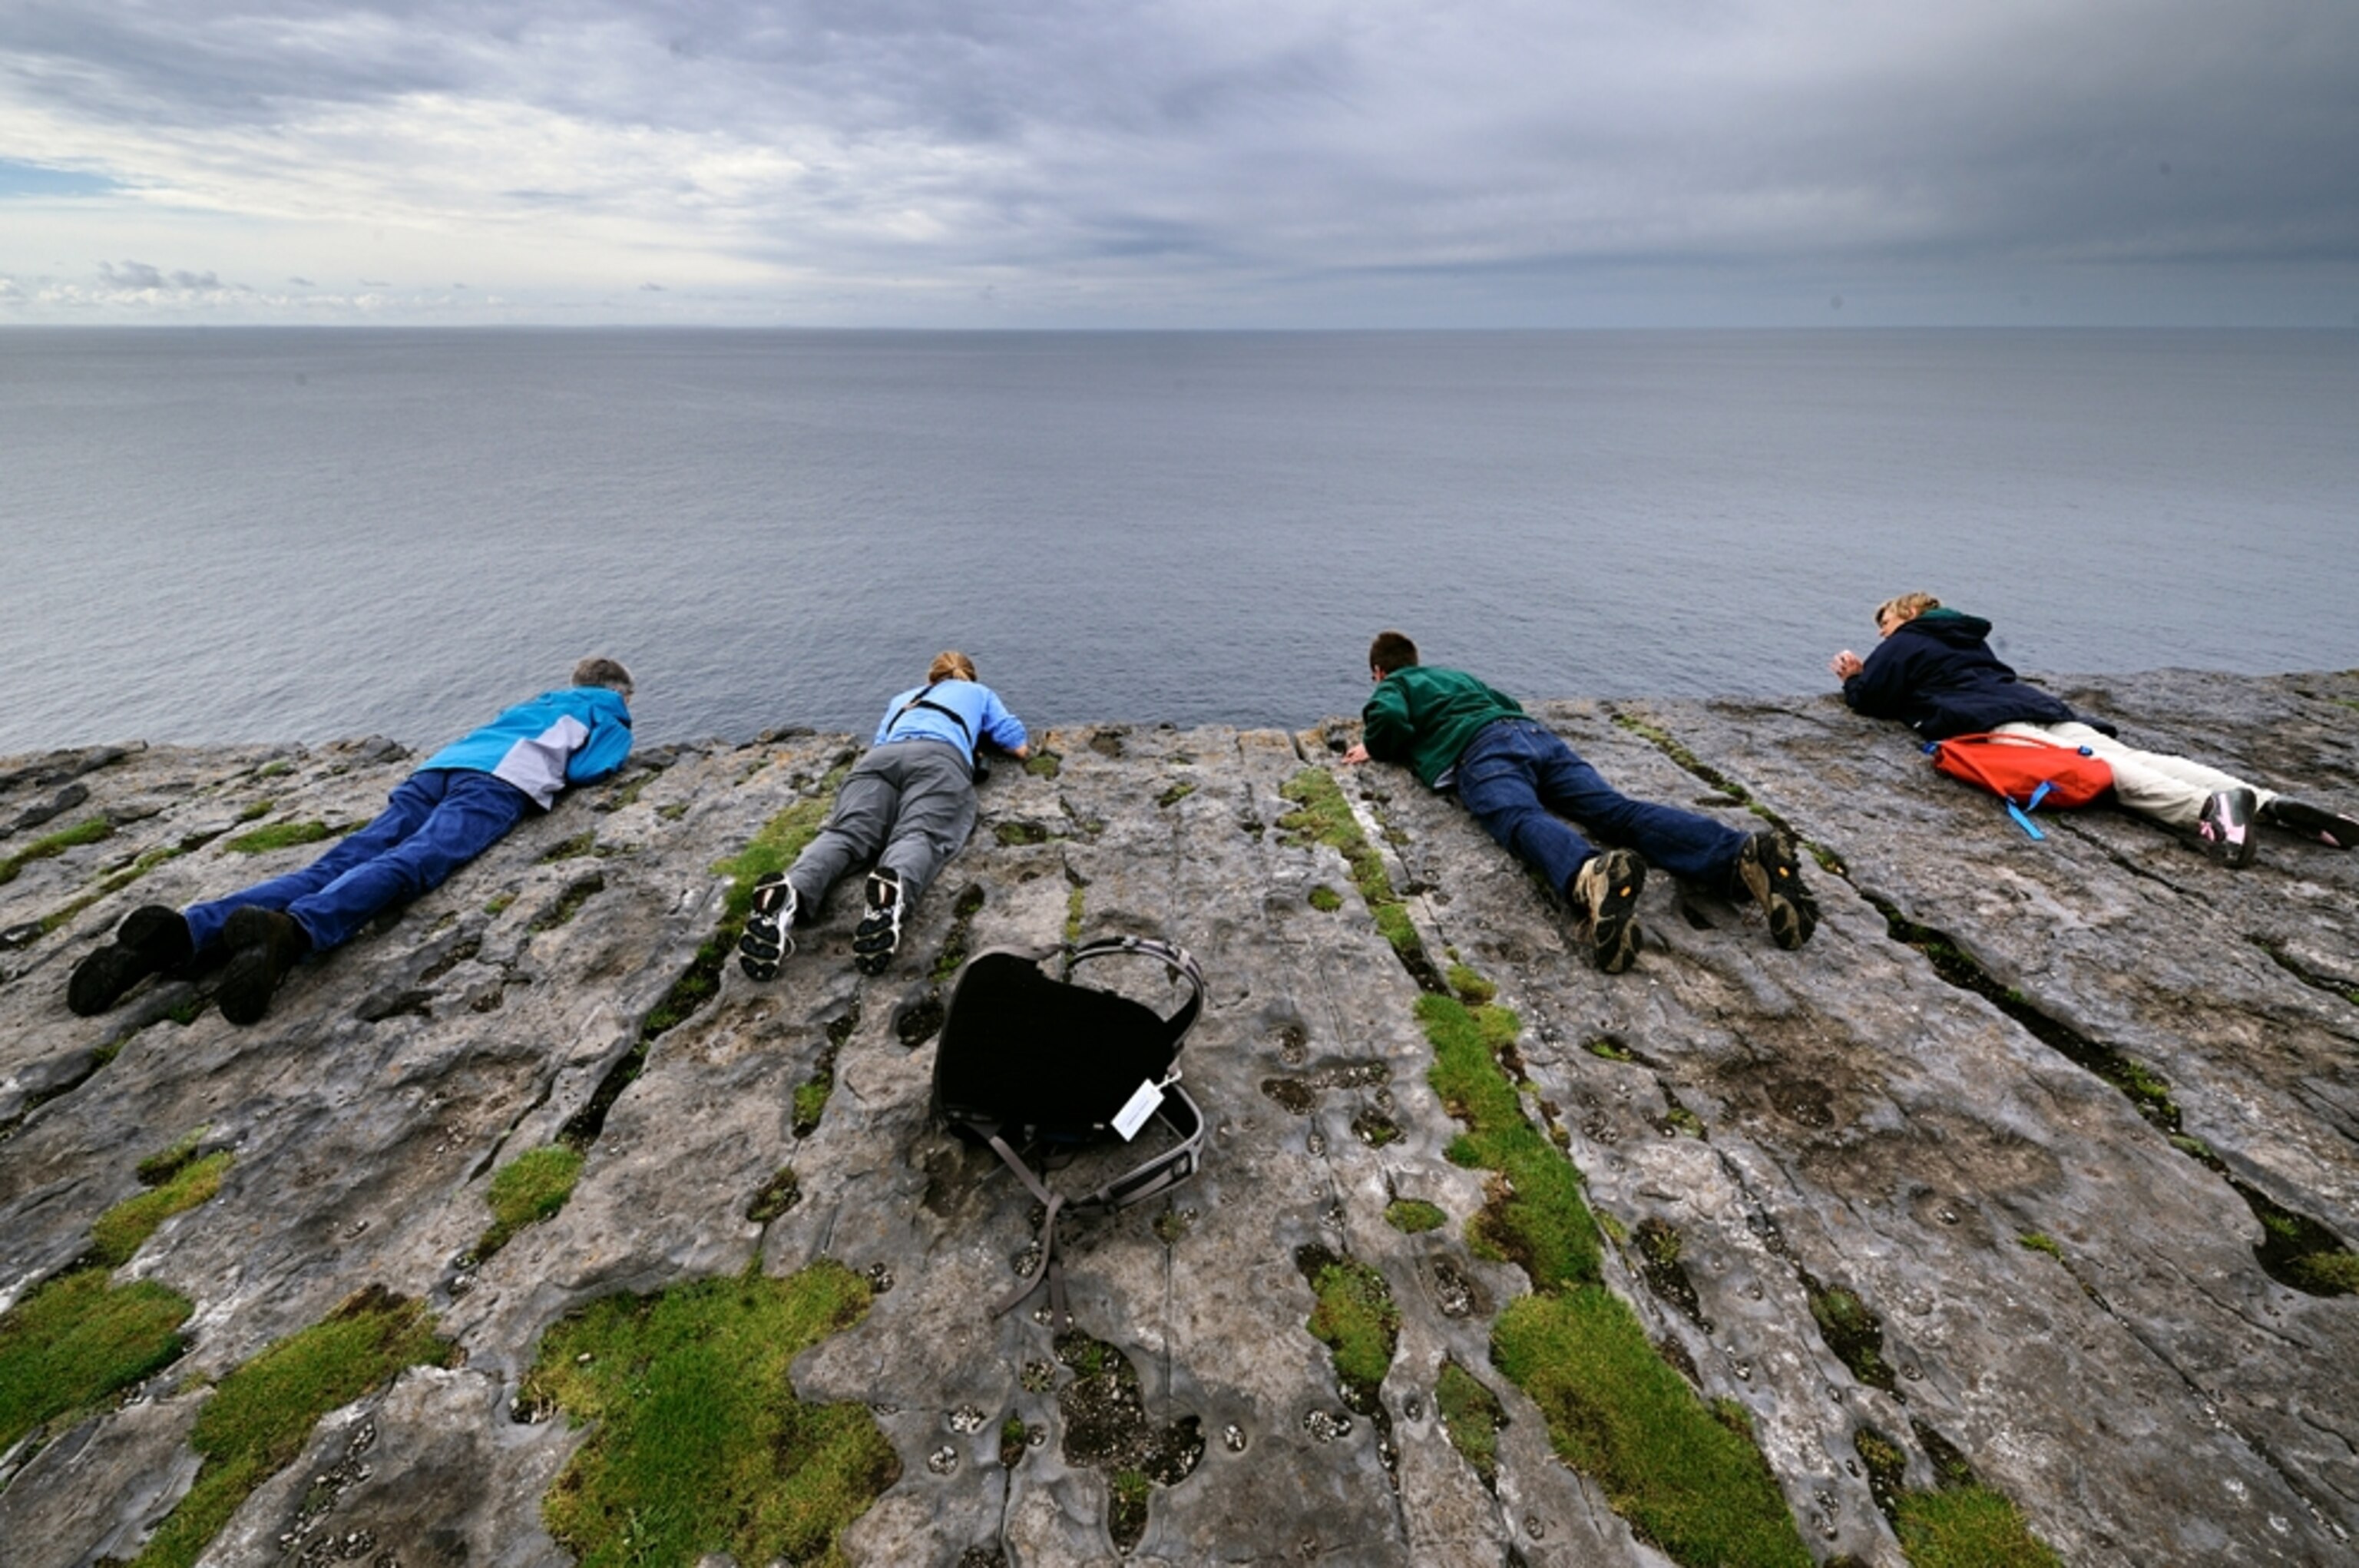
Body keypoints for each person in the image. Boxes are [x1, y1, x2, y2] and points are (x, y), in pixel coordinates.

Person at [68, 658, 636, 1025]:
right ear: (618, 692)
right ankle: (295, 932)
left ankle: (183, 933)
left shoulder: (533, 702)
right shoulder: (606, 711)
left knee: (340, 858)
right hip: (496, 784)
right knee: (414, 862)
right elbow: (593, 768)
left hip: (437, 770)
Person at [1342, 631, 1815, 973]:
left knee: (1519, 817)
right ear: (1419, 657)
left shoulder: (1394, 684)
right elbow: (1508, 703)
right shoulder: (1456, 676)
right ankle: (1739, 854)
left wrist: (1377, 746)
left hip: (1481, 753)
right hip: (1535, 737)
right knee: (1615, 811)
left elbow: (1387, 717)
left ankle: (1592, 876)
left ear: (1379, 671)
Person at [1831, 594, 2358, 865]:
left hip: (1986, 722)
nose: (1881, 633)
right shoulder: (1967, 640)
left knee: (2108, 773)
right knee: (2138, 757)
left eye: (1884, 624)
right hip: (2039, 705)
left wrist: (1855, 677)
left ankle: (2209, 813)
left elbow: (1874, 701)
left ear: (1907, 614)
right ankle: (2270, 803)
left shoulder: (1907, 639)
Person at [739, 650, 1027, 980]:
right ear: (969, 676)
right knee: (920, 833)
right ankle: (892, 891)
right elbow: (1017, 745)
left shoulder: (903, 700)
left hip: (878, 762)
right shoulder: (978, 693)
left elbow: (880, 742)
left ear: (932, 678)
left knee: (846, 834)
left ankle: (791, 891)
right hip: (938, 760)